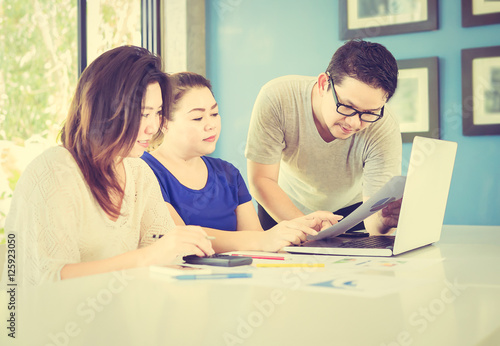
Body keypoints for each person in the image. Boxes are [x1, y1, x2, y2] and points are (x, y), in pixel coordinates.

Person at [4, 46, 214, 286]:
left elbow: (165, 258)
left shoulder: (139, 173)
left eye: (157, 113)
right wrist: (148, 257)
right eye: (143, 114)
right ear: (105, 110)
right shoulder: (54, 171)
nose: (152, 127)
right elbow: (49, 281)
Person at [142, 72, 341, 253]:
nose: (211, 125)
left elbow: (256, 240)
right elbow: (178, 235)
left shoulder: (228, 173)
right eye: (197, 117)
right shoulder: (144, 171)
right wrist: (262, 240)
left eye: (214, 114)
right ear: (164, 122)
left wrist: (302, 226)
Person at [245, 39, 402, 235]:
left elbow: (373, 219)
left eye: (369, 112)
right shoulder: (277, 98)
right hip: (282, 203)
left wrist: (384, 220)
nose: (354, 123)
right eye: (347, 106)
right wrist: (307, 227)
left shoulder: (383, 126)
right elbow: (261, 179)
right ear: (323, 84)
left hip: (351, 212)